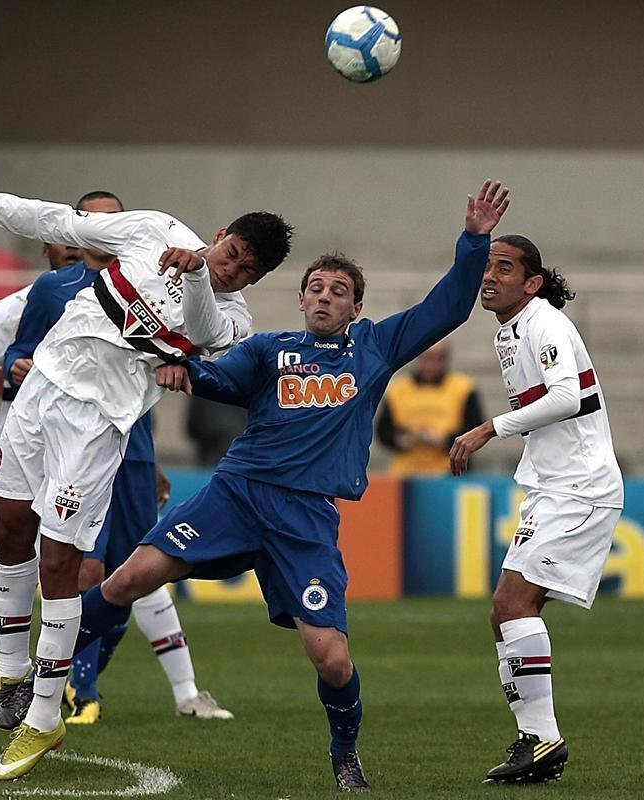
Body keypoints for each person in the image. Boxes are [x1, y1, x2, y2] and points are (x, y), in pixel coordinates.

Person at [70, 180, 510, 791]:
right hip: (237, 493)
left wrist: (474, 241)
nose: (326, 298)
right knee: (128, 578)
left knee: (331, 657)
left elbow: (449, 307)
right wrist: (181, 367)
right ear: (302, 299)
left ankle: (345, 752)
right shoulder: (269, 351)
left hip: (304, 518)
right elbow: (215, 379)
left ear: (356, 308)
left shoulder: (375, 348)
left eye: (340, 292)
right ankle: (37, 684)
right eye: (317, 288)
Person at [0, 177, 292, 781]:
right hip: (37, 397)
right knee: (10, 533)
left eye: (246, 271)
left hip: (97, 428)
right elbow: (59, 223)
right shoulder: (154, 230)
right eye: (231, 254)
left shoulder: (232, 320)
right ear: (221, 235)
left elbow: (198, 334)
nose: (232, 271)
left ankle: (43, 718)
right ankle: (11, 676)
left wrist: (199, 275)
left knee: (60, 560)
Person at [0, 195, 233, 729]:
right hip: (61, 428)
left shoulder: (161, 272)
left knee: (139, 566)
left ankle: (182, 689)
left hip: (128, 440)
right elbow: (15, 352)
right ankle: (71, 688)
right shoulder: (52, 290)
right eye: (92, 219)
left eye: (110, 216)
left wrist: (152, 459)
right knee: (84, 564)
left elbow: (198, 349)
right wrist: (12, 369)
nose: (99, 229)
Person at [0, 191, 124, 712]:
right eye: (70, 237)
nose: (78, 248)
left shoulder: (132, 302)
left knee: (88, 567)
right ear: (51, 246)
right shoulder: (20, 304)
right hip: (23, 444)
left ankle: (54, 689)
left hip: (85, 450)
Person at [447, 235, 624, 784]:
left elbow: (567, 396)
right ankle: (537, 742)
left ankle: (543, 740)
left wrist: (486, 429)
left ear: (532, 283)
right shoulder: (512, 330)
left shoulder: (545, 324)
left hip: (579, 488)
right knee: (506, 612)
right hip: (556, 487)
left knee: (513, 604)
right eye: (487, 267)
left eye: (505, 268)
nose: (489, 277)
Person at [375, 339, 485, 475]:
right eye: (427, 358)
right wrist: (402, 440)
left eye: (438, 358)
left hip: (450, 472)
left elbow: (475, 429)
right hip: (407, 472)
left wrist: (445, 441)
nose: (431, 364)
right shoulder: (398, 389)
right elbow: (383, 430)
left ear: (445, 359)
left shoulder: (463, 388)